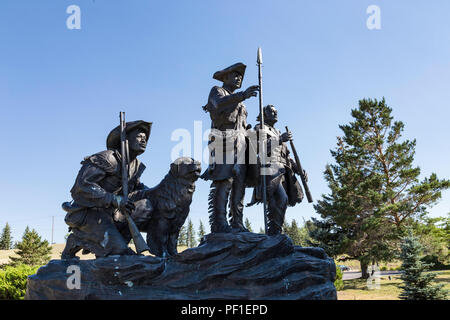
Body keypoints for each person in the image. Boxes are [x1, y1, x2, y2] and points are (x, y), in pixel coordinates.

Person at [61, 120, 152, 258]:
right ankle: (81, 240)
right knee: (121, 255)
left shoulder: (136, 166)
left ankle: (114, 243)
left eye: (145, 138)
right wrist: (113, 199)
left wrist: (160, 192)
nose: (143, 140)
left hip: (112, 214)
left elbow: (138, 189)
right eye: (139, 136)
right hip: (88, 213)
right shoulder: (108, 158)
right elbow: (81, 186)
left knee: (146, 207)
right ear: (126, 139)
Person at [201, 62, 259, 233]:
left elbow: (242, 125)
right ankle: (219, 223)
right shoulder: (217, 91)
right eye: (235, 75)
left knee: (239, 186)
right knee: (223, 181)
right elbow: (218, 105)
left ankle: (237, 222)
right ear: (225, 77)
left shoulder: (242, 103)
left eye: (240, 76)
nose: (239, 78)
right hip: (223, 143)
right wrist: (242, 95)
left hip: (241, 146)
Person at [247, 105, 306, 235]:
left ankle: (277, 232)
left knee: (281, 201)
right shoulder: (260, 128)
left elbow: (287, 156)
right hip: (269, 169)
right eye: (271, 111)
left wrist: (298, 169)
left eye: (276, 111)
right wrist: (280, 139)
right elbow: (259, 149)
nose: (275, 113)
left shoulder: (278, 132)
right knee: (280, 199)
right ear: (264, 114)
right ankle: (274, 232)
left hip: (283, 171)